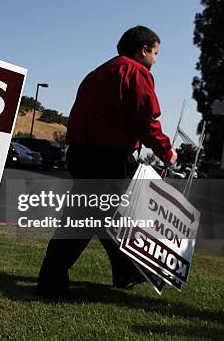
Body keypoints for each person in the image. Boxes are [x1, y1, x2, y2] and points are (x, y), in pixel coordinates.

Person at [37, 26, 178, 298]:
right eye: (156, 53)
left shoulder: (96, 73)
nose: (156, 59)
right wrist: (166, 151)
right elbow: (145, 119)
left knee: (108, 216)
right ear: (144, 49)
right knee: (85, 219)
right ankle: (51, 281)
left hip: (81, 152)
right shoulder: (136, 72)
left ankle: (126, 272)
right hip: (106, 156)